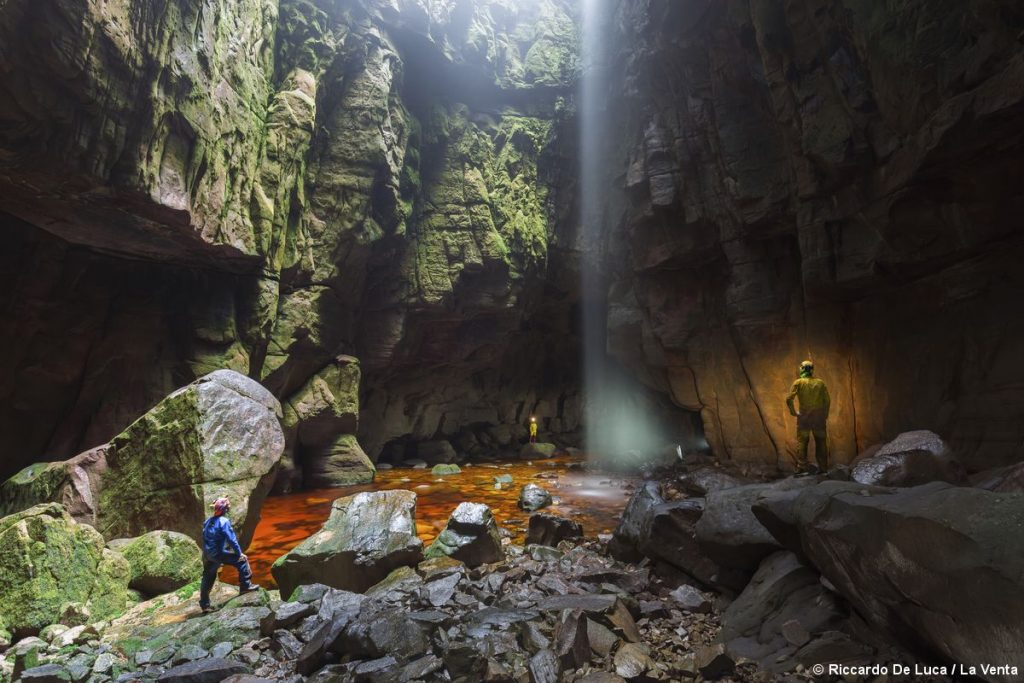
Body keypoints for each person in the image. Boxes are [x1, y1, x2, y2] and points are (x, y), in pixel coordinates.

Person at [199, 497, 259, 613]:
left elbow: (204, 537)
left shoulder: (208, 521)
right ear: (225, 509)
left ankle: (205, 605)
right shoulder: (224, 522)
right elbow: (232, 540)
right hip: (217, 553)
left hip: (208, 554)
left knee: (207, 577)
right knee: (242, 561)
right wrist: (239, 553)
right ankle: (245, 586)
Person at [786, 360, 830, 473]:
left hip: (804, 417)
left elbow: (789, 399)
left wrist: (793, 412)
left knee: (802, 442)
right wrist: (825, 414)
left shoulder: (798, 382)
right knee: (821, 442)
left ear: (801, 369)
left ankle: (802, 468)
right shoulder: (820, 383)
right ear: (812, 370)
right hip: (818, 417)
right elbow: (827, 400)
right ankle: (823, 468)